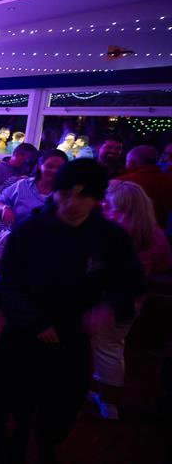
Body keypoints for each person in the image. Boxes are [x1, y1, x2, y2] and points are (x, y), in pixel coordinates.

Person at [0, 158, 143, 464]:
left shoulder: (110, 238)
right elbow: (7, 283)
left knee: (60, 410)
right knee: (16, 407)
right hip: (24, 337)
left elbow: (129, 284)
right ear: (55, 191)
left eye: (83, 195)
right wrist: (34, 321)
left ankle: (48, 444)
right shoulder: (30, 230)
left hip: (73, 340)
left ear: (97, 198)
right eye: (66, 193)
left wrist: (110, 307)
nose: (72, 203)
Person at [88, 180, 172, 420]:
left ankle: (108, 403)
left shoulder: (113, 230)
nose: (103, 207)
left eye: (109, 204)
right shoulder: (154, 232)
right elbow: (164, 264)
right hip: (133, 299)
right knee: (113, 345)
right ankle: (103, 393)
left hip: (107, 300)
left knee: (108, 349)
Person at [0, 149, 67, 229]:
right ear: (39, 166)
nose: (54, 171)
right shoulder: (22, 185)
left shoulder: (66, 192)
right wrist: (5, 208)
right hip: (17, 236)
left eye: (60, 167)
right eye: (49, 166)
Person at [115, 145, 172, 232]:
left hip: (128, 233)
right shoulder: (168, 181)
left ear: (131, 163)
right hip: (158, 233)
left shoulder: (122, 182)